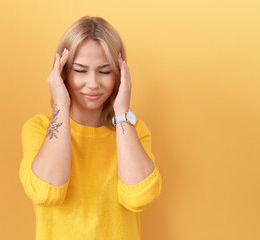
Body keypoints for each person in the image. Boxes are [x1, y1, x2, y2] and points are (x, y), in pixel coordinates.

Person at [19, 16, 162, 240]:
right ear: (63, 72)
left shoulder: (134, 130)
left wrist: (122, 110)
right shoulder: (38, 128)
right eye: (80, 70)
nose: (93, 83)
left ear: (119, 74)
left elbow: (139, 198)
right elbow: (46, 194)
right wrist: (60, 105)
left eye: (105, 71)